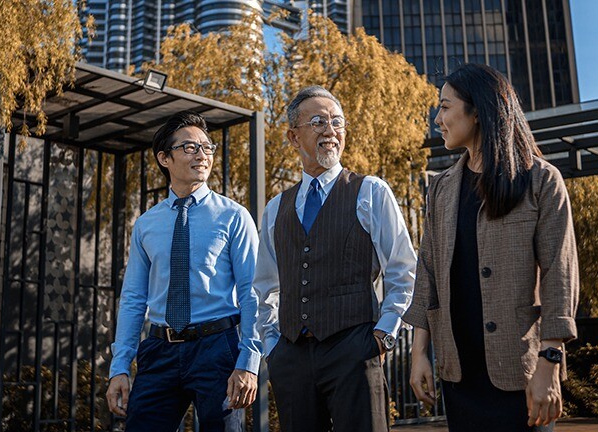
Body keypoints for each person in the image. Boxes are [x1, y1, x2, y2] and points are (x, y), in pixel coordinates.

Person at [404, 63, 579, 431]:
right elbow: (428, 272)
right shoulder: (441, 188)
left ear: (479, 112)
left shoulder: (541, 181)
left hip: (522, 372)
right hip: (459, 375)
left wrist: (550, 360)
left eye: (445, 106)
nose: (437, 118)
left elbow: (559, 276)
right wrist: (419, 352)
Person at [254, 85, 417, 432]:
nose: (331, 130)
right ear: (294, 137)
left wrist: (383, 335)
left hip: (355, 351)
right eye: (318, 122)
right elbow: (265, 288)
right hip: (291, 357)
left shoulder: (370, 191)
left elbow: (403, 271)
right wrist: (272, 347)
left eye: (337, 122)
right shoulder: (275, 209)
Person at [106, 111, 262, 431]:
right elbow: (134, 298)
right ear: (165, 158)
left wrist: (249, 362)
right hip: (158, 350)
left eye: (207, 147)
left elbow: (253, 292)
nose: (202, 154)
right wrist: (119, 367)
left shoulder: (234, 217)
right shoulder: (147, 224)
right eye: (190, 147)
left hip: (218, 347)